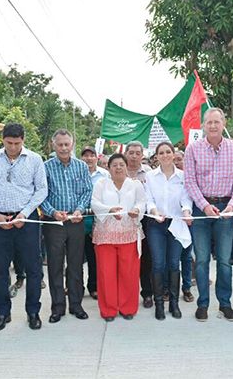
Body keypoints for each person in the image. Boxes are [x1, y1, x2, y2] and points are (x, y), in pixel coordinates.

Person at [0, 123, 47, 331]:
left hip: (26, 220)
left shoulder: (34, 159)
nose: (13, 147)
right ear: (3, 139)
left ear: (23, 140)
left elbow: (41, 190)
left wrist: (24, 214)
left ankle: (33, 312)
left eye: (17, 143)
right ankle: (2, 312)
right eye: (9, 143)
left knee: (33, 268)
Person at [184, 107, 233, 322]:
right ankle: (203, 304)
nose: (212, 126)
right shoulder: (192, 149)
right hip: (202, 210)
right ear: (203, 125)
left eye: (216, 122)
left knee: (223, 260)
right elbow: (190, 182)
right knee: (201, 260)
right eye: (208, 122)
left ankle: (225, 303)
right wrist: (203, 205)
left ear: (224, 124)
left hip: (226, 211)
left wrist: (232, 205)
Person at [41, 129, 93, 323]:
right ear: (53, 145)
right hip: (54, 222)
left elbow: (87, 190)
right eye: (60, 144)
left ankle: (76, 305)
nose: (63, 148)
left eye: (66, 144)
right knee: (55, 265)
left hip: (76, 221)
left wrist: (79, 210)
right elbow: (41, 194)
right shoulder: (45, 167)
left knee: (76, 265)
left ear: (72, 145)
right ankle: (57, 307)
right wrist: (53, 212)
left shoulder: (81, 166)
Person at [91, 153, 146, 321]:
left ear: (126, 166)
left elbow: (141, 202)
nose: (118, 167)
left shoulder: (135, 185)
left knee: (129, 273)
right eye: (114, 165)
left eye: (121, 164)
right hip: (105, 235)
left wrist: (137, 210)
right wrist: (109, 210)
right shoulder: (101, 183)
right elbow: (94, 203)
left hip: (129, 234)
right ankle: (108, 310)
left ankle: (128, 308)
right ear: (109, 168)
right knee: (106, 273)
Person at [144, 142, 192, 320]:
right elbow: (149, 200)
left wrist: (187, 212)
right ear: (156, 156)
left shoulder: (183, 176)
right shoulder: (150, 176)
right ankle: (159, 304)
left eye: (168, 152)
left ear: (173, 154)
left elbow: (187, 200)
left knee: (174, 263)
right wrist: (155, 213)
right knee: (158, 263)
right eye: (161, 153)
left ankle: (174, 303)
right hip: (156, 224)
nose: (165, 155)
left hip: (176, 224)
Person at [125, 141, 154, 308]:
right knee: (127, 259)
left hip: (145, 220)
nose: (134, 156)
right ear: (126, 153)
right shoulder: (119, 169)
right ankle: (128, 294)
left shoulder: (149, 173)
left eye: (138, 153)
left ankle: (147, 293)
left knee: (145, 258)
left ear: (142, 155)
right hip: (123, 220)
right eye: (131, 152)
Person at [81, 145, 110, 299]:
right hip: (79, 218)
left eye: (91, 155)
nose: (88, 158)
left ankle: (93, 286)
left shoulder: (105, 175)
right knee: (76, 256)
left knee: (94, 256)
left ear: (96, 157)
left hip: (98, 219)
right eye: (85, 155)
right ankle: (75, 287)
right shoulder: (77, 172)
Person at [173, 150, 194, 302]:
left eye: (179, 159)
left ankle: (186, 288)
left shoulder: (189, 177)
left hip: (188, 221)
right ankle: (169, 288)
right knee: (172, 259)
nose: (176, 162)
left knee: (186, 257)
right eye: (173, 160)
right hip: (171, 222)